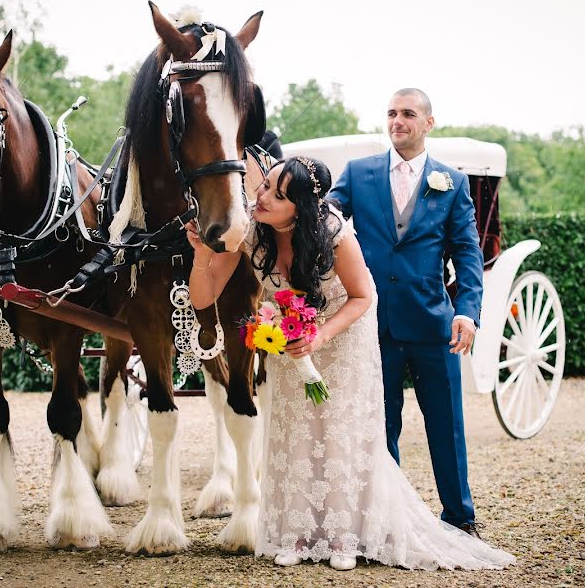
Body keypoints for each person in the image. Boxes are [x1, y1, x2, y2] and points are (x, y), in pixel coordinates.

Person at [186, 156, 514, 571]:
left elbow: (364, 296)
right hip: (290, 342)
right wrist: (202, 255)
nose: (262, 197)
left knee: (341, 430)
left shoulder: (332, 232)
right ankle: (298, 532)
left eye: (277, 195)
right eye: (265, 185)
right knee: (294, 430)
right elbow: (202, 297)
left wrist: (319, 335)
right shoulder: (252, 231)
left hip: (342, 336)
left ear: (300, 207)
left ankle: (345, 536)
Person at [329, 88, 484, 537]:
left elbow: (468, 253)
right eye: (392, 113)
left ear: (428, 123)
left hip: (434, 324)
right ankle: (388, 520)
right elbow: (326, 223)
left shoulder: (451, 182)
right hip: (372, 323)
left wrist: (467, 311)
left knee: (447, 426)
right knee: (381, 424)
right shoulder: (359, 174)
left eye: (408, 114)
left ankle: (460, 517)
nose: (398, 121)